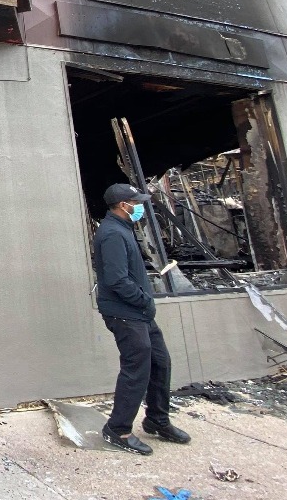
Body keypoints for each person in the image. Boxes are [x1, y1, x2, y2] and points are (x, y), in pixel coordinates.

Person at [92, 183, 191, 455]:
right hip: (125, 313)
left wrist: (144, 304)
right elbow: (116, 279)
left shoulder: (124, 229)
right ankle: (118, 429)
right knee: (136, 370)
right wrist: (143, 299)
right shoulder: (112, 234)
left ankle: (157, 420)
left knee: (160, 363)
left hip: (140, 313)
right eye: (136, 202)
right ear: (124, 205)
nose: (141, 206)